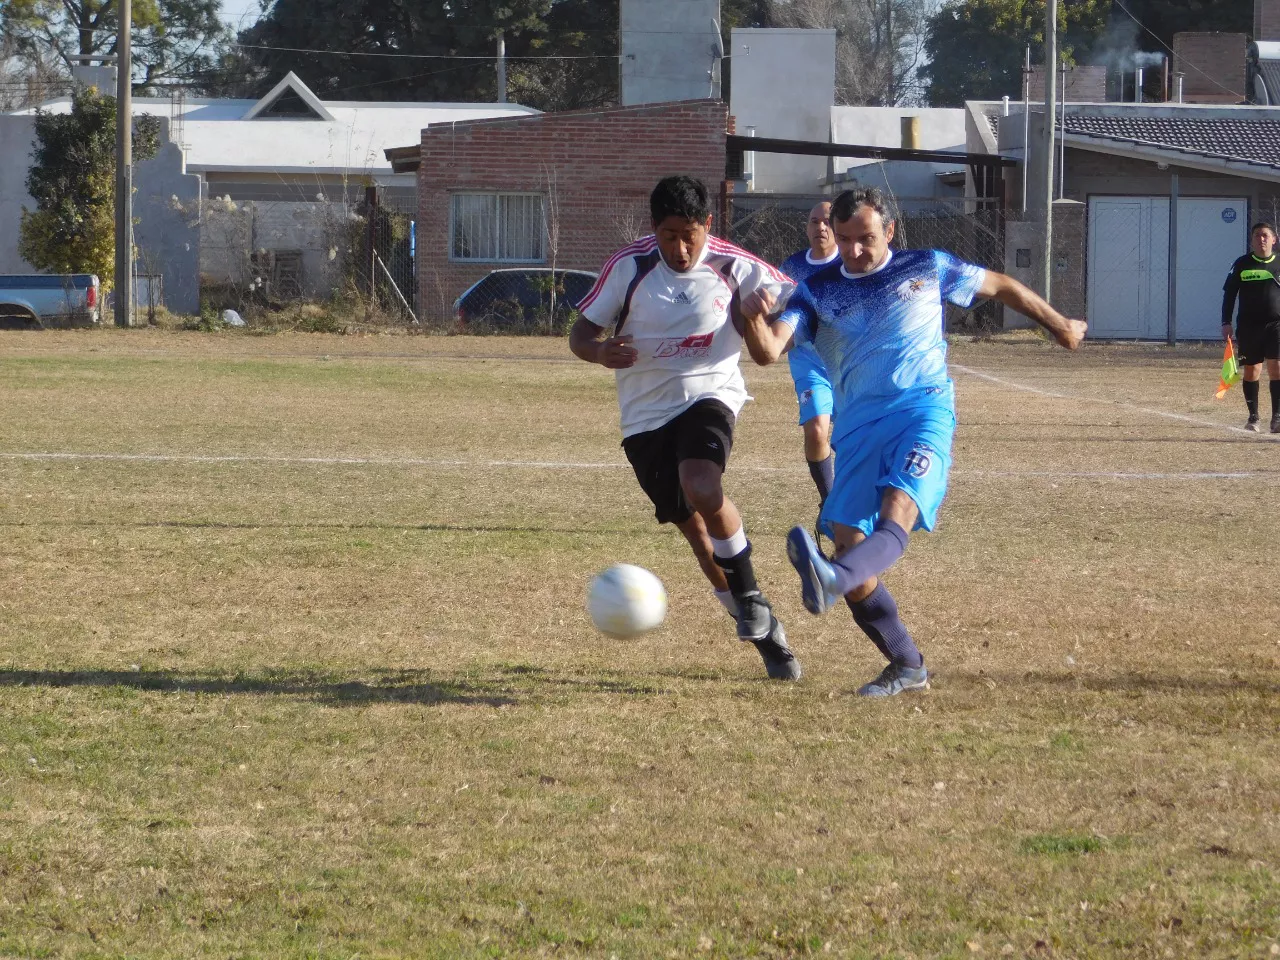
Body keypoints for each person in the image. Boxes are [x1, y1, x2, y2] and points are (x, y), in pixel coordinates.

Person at [737, 187, 1087, 697]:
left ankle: (832, 581)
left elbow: (1002, 285)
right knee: (850, 548)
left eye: (867, 238)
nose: (856, 251)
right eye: (848, 240)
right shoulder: (819, 291)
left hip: (923, 411)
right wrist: (750, 315)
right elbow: (769, 351)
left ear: (890, 232)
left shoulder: (928, 266)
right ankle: (907, 665)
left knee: (896, 507)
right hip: (857, 431)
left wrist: (1059, 325)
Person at [568, 175, 802, 680]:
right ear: (654, 229)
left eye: (689, 234)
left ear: (708, 225)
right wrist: (599, 351)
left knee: (702, 484)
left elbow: (782, 324)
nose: (680, 247)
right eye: (669, 235)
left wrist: (758, 318)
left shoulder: (736, 267)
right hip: (645, 416)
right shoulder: (629, 267)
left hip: (709, 395)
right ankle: (766, 635)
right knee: (697, 534)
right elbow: (581, 334)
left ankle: (751, 594)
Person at [780, 202, 841, 529]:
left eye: (828, 222)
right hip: (808, 364)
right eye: (814, 221)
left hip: (848, 364)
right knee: (817, 429)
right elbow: (779, 311)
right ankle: (829, 502)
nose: (821, 227)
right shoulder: (791, 267)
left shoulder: (851, 264)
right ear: (806, 227)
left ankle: (848, 503)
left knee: (848, 439)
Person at [1221, 221, 1280, 433]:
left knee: (1277, 367)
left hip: (1276, 325)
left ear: (1274, 239)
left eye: (1265, 235)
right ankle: (1253, 417)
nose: (1261, 239)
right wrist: (1225, 322)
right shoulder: (1242, 264)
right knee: (1252, 370)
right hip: (1248, 326)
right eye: (1257, 235)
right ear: (1252, 240)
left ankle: (1277, 418)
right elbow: (1229, 295)